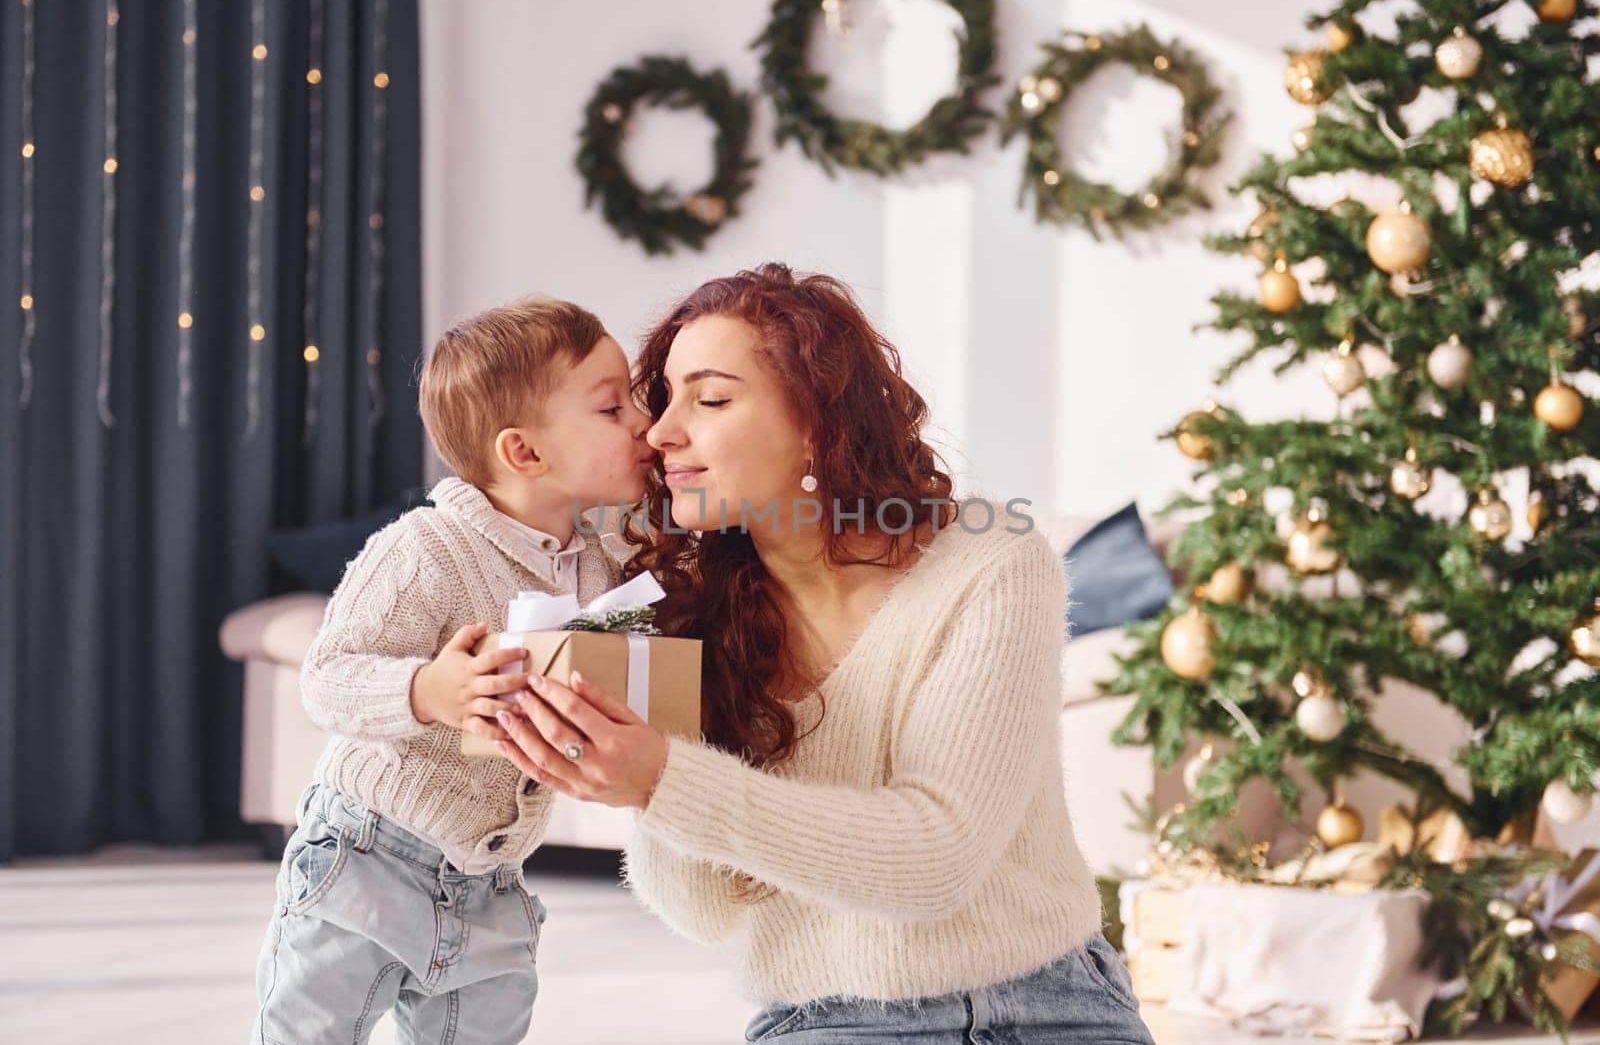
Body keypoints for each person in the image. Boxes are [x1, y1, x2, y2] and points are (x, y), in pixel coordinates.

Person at [495, 264, 1157, 1043]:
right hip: (828, 1017)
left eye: (709, 399)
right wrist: (635, 778)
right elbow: (704, 910)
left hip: (1049, 1005)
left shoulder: (990, 562)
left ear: (817, 418)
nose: (660, 431)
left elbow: (936, 858)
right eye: (664, 398)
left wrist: (663, 776)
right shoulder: (682, 609)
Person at [251, 295, 654, 1043]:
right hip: (367, 856)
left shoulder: (600, 567)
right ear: (524, 453)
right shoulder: (424, 548)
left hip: (492, 878)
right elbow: (328, 675)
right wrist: (428, 689)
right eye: (613, 407)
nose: (644, 421)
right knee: (307, 1032)